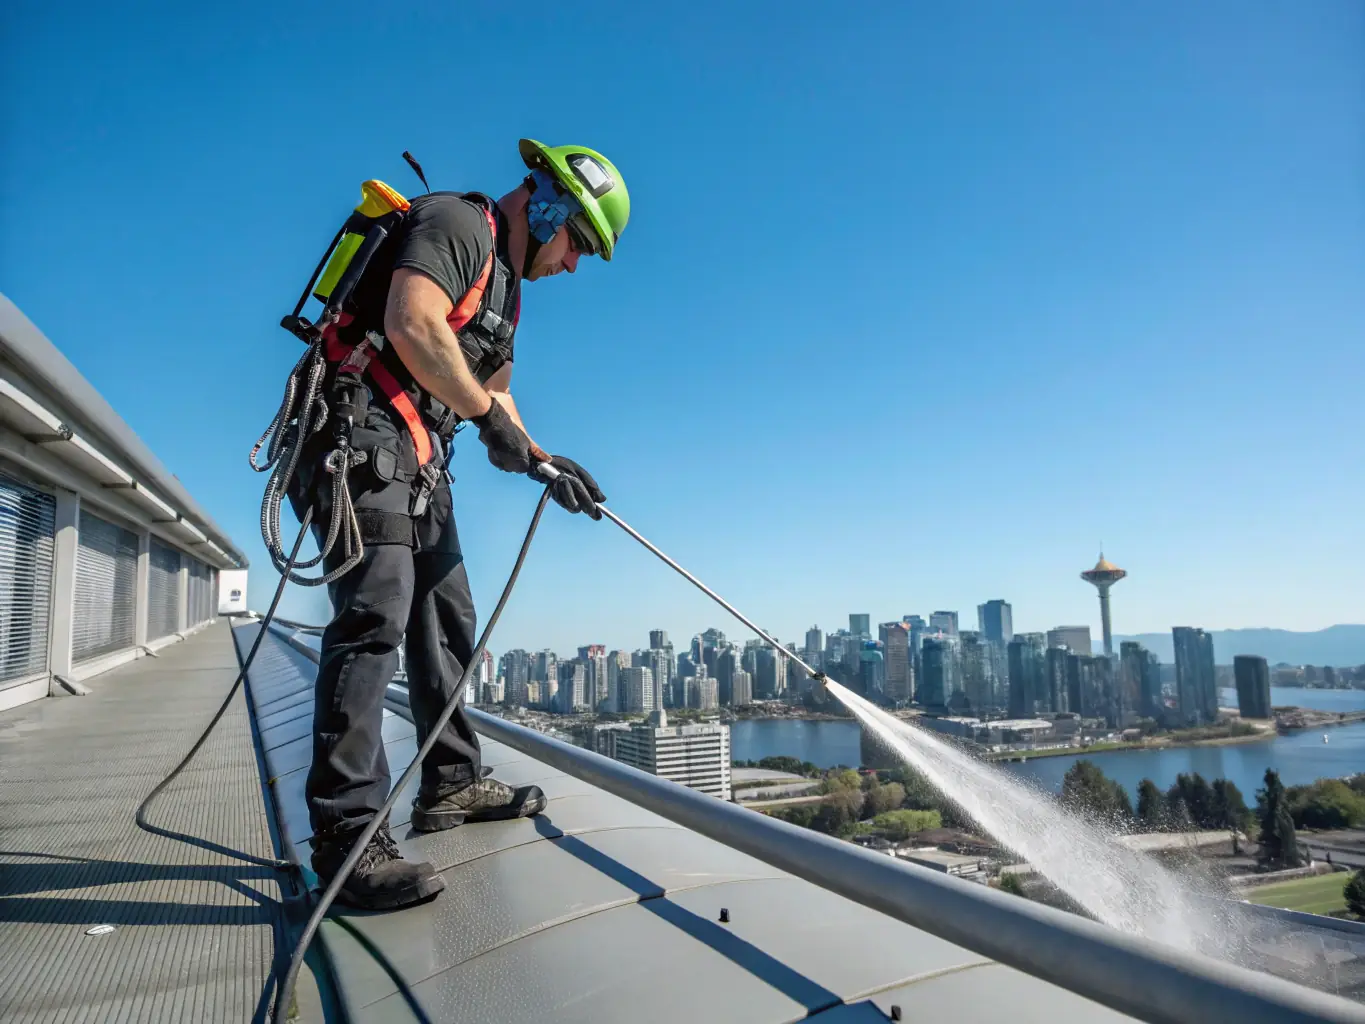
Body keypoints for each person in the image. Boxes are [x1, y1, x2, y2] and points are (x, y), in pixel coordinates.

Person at [287, 140, 629, 910]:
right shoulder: (455, 224)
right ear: (547, 209)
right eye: (580, 244)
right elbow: (413, 323)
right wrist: (485, 420)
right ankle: (346, 839)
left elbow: (494, 396)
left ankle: (451, 783)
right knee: (375, 614)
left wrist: (545, 461)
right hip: (354, 439)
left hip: (412, 454)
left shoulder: (506, 294)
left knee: (445, 613)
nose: (574, 266)